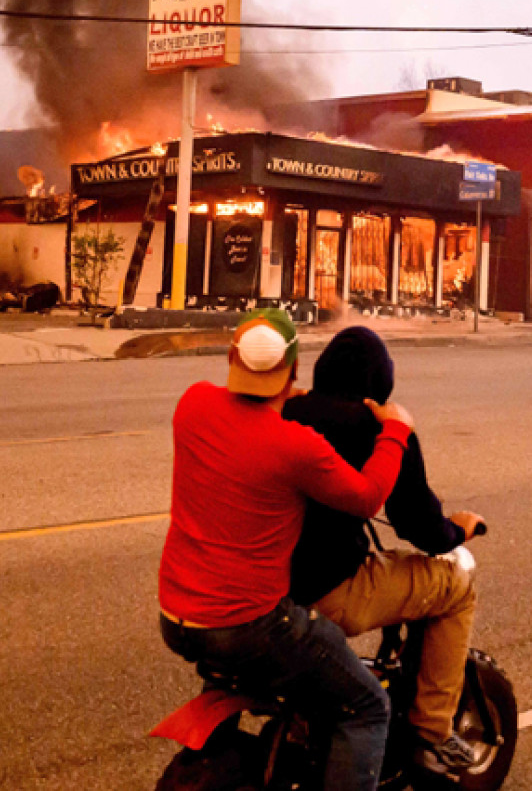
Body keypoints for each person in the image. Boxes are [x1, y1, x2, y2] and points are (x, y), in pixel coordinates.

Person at [159, 309, 417, 791]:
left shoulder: (191, 404)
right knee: (365, 709)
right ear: (295, 369)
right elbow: (366, 496)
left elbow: (240, 415)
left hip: (176, 619)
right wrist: (396, 430)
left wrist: (281, 398)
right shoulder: (296, 446)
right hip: (252, 626)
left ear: (232, 358)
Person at [284, 326, 485, 784]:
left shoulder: (286, 412)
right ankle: (432, 731)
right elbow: (422, 528)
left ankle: (305, 725)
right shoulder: (383, 428)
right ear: (382, 380)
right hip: (330, 588)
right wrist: (460, 529)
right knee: (455, 587)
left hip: (271, 588)